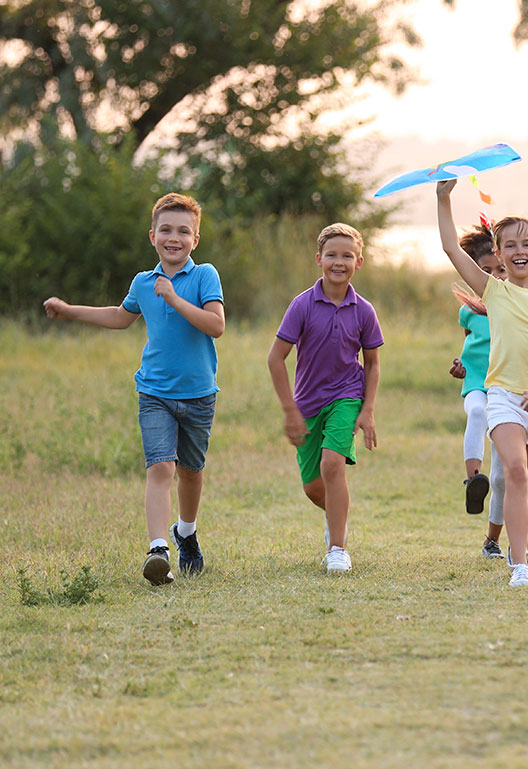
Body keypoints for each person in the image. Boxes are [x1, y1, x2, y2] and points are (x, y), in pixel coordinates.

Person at [43, 193, 225, 586]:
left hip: (198, 395)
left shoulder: (204, 275)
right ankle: (158, 549)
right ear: (152, 236)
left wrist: (175, 298)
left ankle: (186, 534)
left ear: (195, 238)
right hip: (154, 392)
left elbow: (216, 326)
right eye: (165, 230)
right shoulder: (143, 283)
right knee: (161, 468)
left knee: (191, 473)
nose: (173, 238)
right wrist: (69, 310)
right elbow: (120, 317)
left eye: (183, 231)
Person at [436, 179, 528, 588]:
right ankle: (520, 565)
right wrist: (443, 198)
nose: (519, 251)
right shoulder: (492, 291)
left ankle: (511, 540)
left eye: (526, 244)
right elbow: (452, 250)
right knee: (514, 471)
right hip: (503, 396)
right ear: (498, 254)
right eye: (509, 245)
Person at [267, 223, 382, 574]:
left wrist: (367, 411)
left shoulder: (364, 310)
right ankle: (338, 522)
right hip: (307, 405)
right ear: (319, 259)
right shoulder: (302, 305)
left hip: (346, 396)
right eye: (332, 254)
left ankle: (337, 550)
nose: (339, 262)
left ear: (358, 262)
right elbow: (276, 358)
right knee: (314, 487)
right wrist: (290, 411)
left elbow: (373, 363)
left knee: (332, 465)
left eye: (347, 255)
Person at [447, 225, 508, 558]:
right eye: (486, 272)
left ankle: (492, 540)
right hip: (475, 382)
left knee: (501, 477)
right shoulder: (469, 310)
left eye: (500, 269)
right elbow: (472, 345)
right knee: (476, 412)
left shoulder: (517, 306)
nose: (494, 277)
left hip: (507, 388)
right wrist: (460, 367)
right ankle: (473, 479)